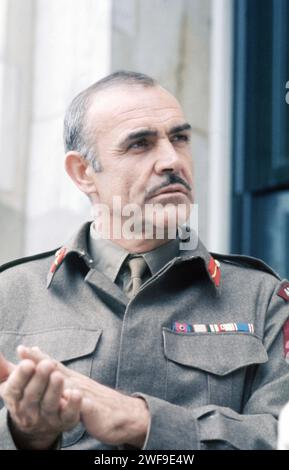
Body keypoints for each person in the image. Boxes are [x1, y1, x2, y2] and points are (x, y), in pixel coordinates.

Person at [0, 70, 289, 450]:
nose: (172, 160)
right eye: (140, 144)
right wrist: (25, 433)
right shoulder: (10, 296)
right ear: (83, 172)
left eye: (180, 138)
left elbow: (279, 436)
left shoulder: (263, 299)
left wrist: (141, 421)